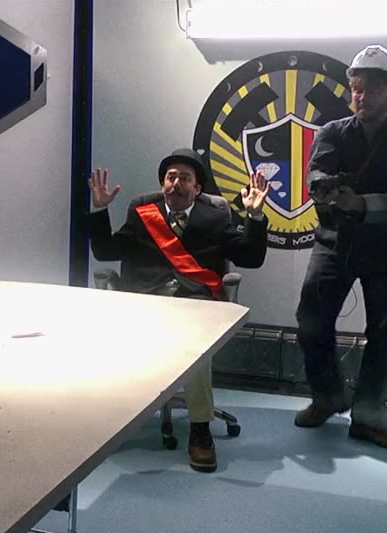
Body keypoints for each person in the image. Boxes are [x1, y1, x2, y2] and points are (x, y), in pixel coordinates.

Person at [87, 148, 269, 472]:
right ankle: (113, 419)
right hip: (147, 300)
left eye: (185, 178)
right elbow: (105, 252)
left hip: (195, 303)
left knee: (195, 347)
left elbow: (251, 258)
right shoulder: (143, 212)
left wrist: (254, 217)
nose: (177, 184)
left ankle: (200, 429)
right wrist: (100, 210)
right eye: (171, 177)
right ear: (162, 184)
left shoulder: (215, 217)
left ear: (197, 188)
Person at [293, 45, 387, 451]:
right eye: (356, 88)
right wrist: (325, 189)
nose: (361, 96)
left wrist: (359, 203)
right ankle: (327, 397)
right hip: (334, 241)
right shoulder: (332, 132)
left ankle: (369, 416)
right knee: (311, 322)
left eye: (371, 89)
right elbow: (317, 174)